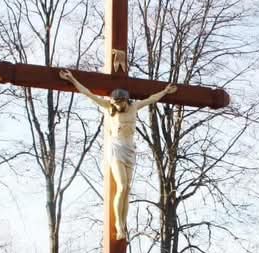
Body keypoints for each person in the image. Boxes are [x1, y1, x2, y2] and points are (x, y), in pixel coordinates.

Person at [59, 69, 177, 240]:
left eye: (118, 103)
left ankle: (124, 223)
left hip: (130, 149)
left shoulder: (134, 107)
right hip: (116, 148)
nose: (116, 106)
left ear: (125, 100)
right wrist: (72, 79)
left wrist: (165, 91)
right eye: (114, 103)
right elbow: (88, 94)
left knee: (127, 189)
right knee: (121, 186)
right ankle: (118, 225)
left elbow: (152, 99)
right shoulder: (109, 107)